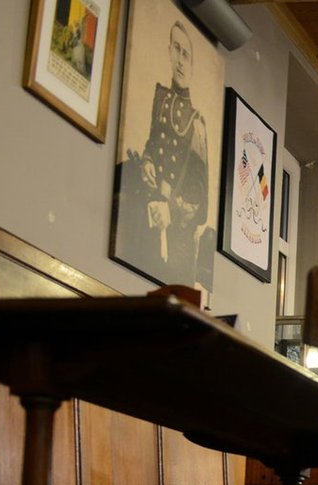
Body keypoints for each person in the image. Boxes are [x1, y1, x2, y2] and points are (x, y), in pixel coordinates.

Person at [115, 19, 210, 289]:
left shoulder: (197, 124)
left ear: (192, 65)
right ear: (169, 51)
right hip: (146, 211)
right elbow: (152, 143)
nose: (180, 60)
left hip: (172, 232)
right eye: (176, 50)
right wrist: (147, 161)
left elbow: (200, 199)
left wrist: (171, 209)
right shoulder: (161, 99)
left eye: (186, 55)